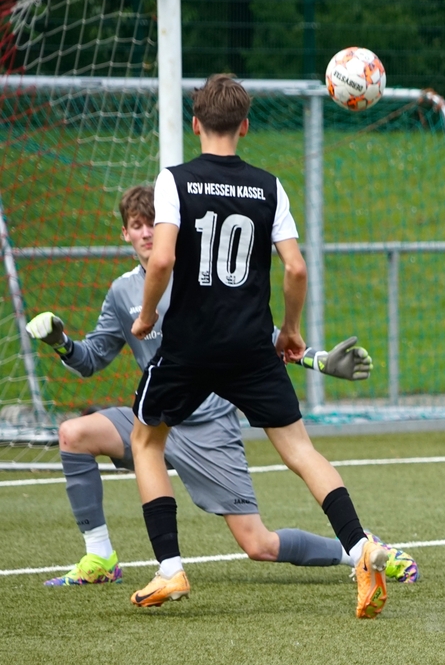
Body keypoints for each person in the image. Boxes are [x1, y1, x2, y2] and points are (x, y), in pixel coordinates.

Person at [26, 186, 418, 589]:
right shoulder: (121, 291)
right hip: (154, 421)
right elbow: (92, 359)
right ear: (125, 233)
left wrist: (318, 360)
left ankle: (357, 550)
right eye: (137, 225)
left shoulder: (199, 279)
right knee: (73, 434)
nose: (146, 233)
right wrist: (62, 343)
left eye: (153, 224)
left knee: (258, 544)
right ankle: (100, 558)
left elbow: (257, 337)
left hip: (209, 428)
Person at [128, 74, 391, 618]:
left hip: (190, 345)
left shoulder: (175, 180)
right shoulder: (270, 186)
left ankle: (171, 568)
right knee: (300, 451)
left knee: (146, 441)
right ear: (245, 126)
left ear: (196, 123)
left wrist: (148, 315)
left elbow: (162, 259)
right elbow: (295, 268)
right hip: (251, 346)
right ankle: (360, 547)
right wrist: (290, 330)